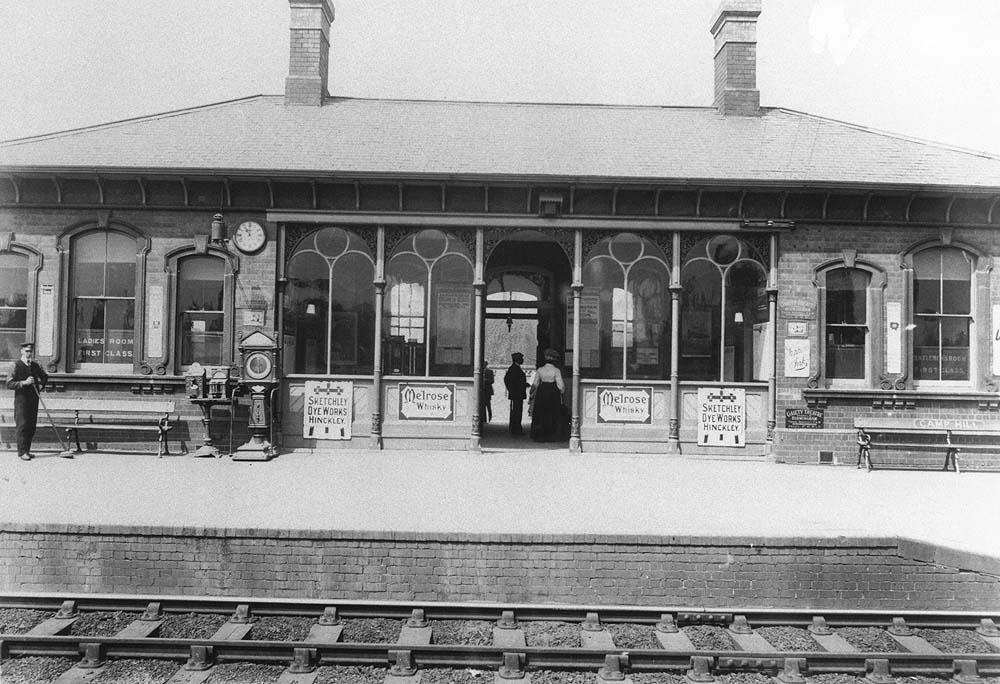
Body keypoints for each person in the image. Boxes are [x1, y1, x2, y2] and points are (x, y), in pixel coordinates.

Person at [6, 341, 49, 461]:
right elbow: (9, 383)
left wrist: (41, 385)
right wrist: (24, 383)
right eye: (27, 351)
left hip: (33, 399)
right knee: (22, 425)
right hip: (21, 400)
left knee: (31, 425)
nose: (29, 353)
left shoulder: (35, 365)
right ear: (22, 351)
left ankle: (27, 450)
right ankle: (21, 452)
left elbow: (45, 377)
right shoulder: (15, 365)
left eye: (30, 351)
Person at [529, 348, 566, 442]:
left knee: (540, 414)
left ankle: (539, 435)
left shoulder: (540, 370)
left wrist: (531, 393)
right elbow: (561, 386)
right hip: (553, 393)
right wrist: (561, 393)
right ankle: (551, 435)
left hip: (541, 393)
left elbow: (535, 384)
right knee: (552, 414)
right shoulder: (556, 371)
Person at [503, 352, 527, 435]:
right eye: (521, 358)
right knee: (517, 411)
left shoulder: (515, 368)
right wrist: (513, 390)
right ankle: (516, 429)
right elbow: (508, 380)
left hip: (516, 393)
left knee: (516, 411)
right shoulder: (514, 369)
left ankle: (516, 428)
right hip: (517, 394)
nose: (523, 360)